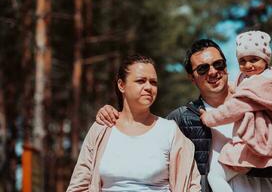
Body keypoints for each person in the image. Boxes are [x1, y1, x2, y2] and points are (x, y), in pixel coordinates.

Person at [96, 40, 272, 191]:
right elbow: (146, 150)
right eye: (202, 68)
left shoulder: (258, 101)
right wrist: (115, 114)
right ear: (191, 77)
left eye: (218, 64)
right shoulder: (181, 119)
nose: (213, 72)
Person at [67, 55, 201, 192]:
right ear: (121, 85)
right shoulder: (102, 129)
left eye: (153, 82)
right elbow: (79, 186)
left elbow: (192, 185)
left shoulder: (170, 131)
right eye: (140, 81)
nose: (149, 87)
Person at [199, 31, 272, 192]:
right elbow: (243, 88)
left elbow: (231, 110)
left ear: (266, 59)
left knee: (215, 176)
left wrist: (207, 117)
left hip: (254, 143)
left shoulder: (254, 87)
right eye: (242, 61)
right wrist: (232, 86)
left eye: (254, 59)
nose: (248, 66)